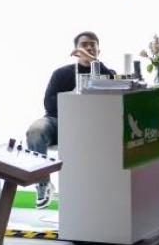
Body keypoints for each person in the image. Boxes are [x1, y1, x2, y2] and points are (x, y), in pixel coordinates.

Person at [26, 31, 113, 208]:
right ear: (76, 51)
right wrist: (72, 97)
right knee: (35, 130)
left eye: (93, 44)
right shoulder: (61, 73)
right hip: (58, 121)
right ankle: (42, 183)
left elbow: (113, 86)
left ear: (99, 50)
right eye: (84, 45)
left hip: (91, 126)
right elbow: (48, 103)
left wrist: (94, 62)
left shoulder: (106, 73)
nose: (89, 47)